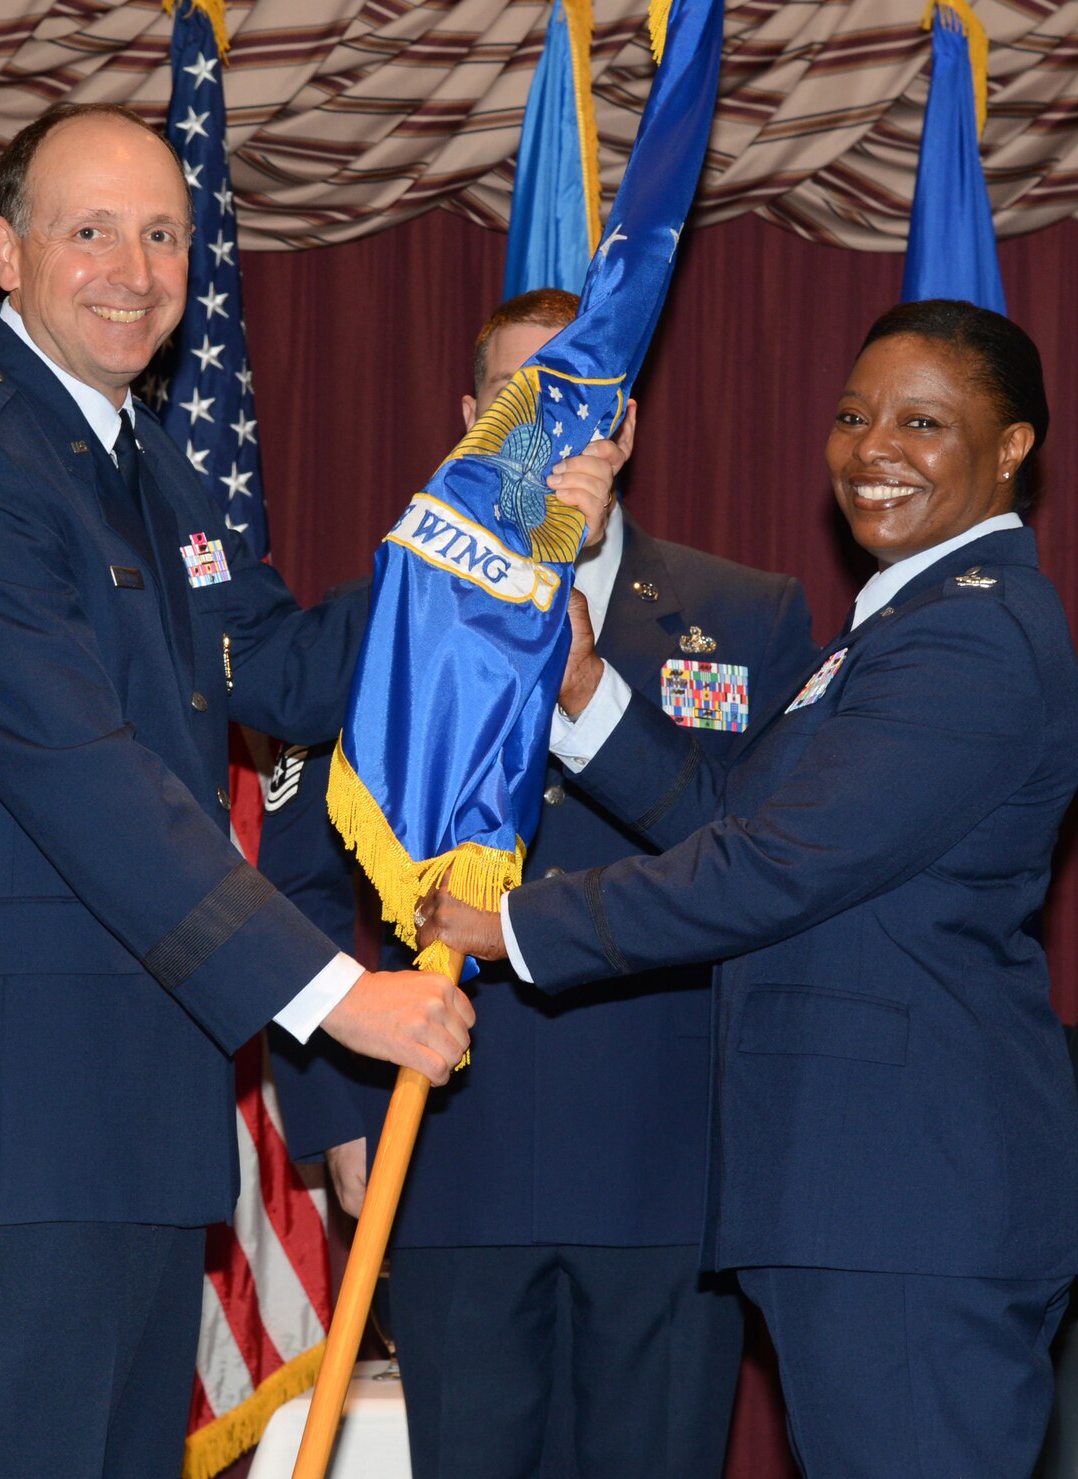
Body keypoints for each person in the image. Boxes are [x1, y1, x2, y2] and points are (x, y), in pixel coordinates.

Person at [0, 103, 561, 1479]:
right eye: (90, 230)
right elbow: (91, 783)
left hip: (139, 1127)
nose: (133, 267)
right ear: (4, 249)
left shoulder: (145, 459)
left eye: (164, 234)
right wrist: (342, 996)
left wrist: (487, 520)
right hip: (21, 1135)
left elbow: (278, 666)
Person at [423, 299, 1078, 1478]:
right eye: (851, 415)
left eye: (921, 422)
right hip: (853, 1201)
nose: (871, 448)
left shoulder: (967, 642)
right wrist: (585, 699)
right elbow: (749, 824)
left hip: (906, 1205)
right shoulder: (890, 630)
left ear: (1011, 449)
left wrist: (513, 925)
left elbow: (771, 867)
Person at [264, 288, 820, 1479]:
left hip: (667, 1166)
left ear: (624, 426)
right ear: (471, 422)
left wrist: (583, 699)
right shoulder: (386, 613)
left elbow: (765, 863)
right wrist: (330, 1113)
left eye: (584, 409)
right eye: (525, 406)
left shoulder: (746, 616)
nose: (557, 438)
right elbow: (298, 881)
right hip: (449, 1150)